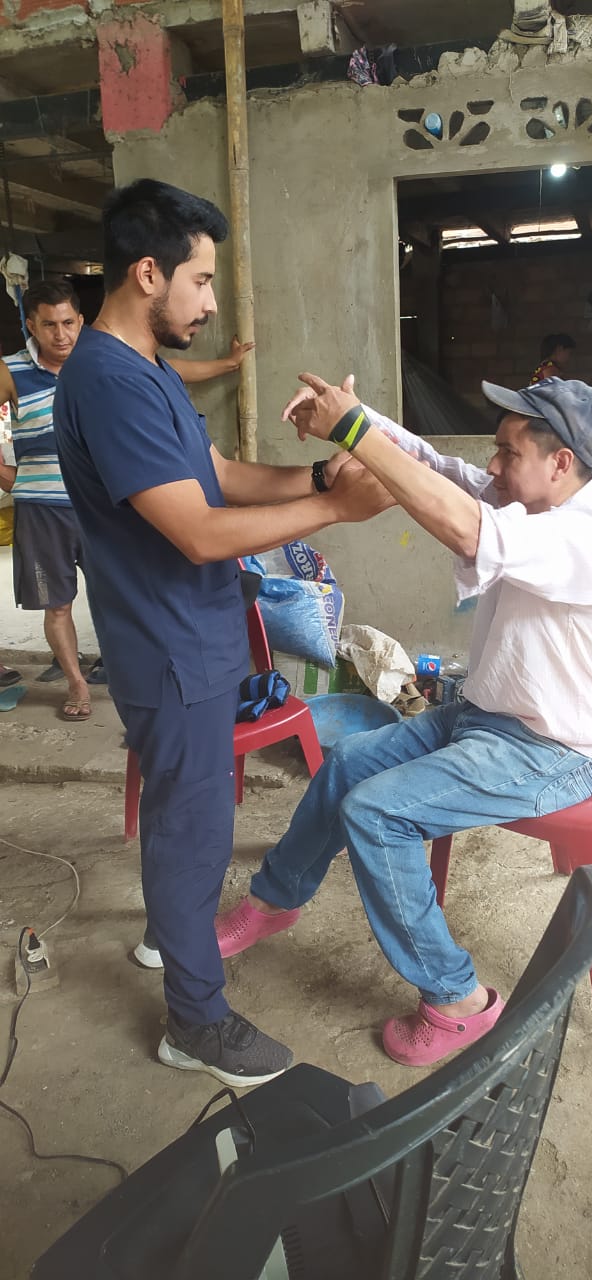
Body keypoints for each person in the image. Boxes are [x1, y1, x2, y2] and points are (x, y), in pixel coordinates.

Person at [53, 178, 394, 1088]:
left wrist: (318, 476)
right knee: (191, 830)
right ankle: (195, 1023)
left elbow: (216, 477)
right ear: (147, 272)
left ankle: (173, 941)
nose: (209, 304)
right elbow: (199, 532)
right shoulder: (108, 381)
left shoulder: (149, 371)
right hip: (168, 647)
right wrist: (335, 512)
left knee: (191, 818)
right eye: (200, 281)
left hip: (194, 632)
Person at [213, 373, 592, 1069]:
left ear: (560, 463)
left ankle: (458, 999)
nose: (492, 466)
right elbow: (438, 470)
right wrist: (359, 417)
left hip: (553, 751)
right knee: (346, 764)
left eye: (508, 453)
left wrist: (355, 431)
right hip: (486, 717)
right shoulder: (526, 503)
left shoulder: (591, 538)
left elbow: (467, 526)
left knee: (376, 813)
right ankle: (274, 901)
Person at [0, 285, 253, 720]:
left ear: (81, 321)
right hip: (43, 512)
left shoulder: (103, 363)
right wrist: (11, 479)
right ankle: (77, 683)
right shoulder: (11, 371)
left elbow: (173, 371)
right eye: (49, 325)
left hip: (101, 507)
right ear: (31, 326)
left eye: (68, 323)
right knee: (58, 603)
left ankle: (128, 677)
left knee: (123, 595)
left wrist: (227, 365)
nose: (60, 334)